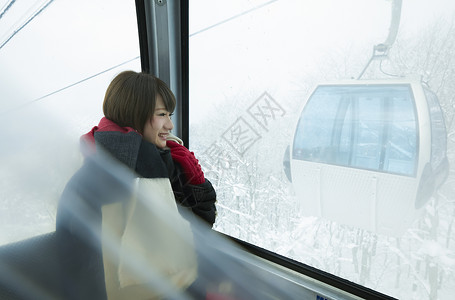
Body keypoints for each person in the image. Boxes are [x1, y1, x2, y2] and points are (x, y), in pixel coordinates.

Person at [56, 70, 217, 299]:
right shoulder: (116, 175)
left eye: (169, 114)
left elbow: (199, 224)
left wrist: (193, 178)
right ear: (134, 114)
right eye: (162, 114)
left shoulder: (155, 160)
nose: (170, 125)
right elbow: (112, 276)